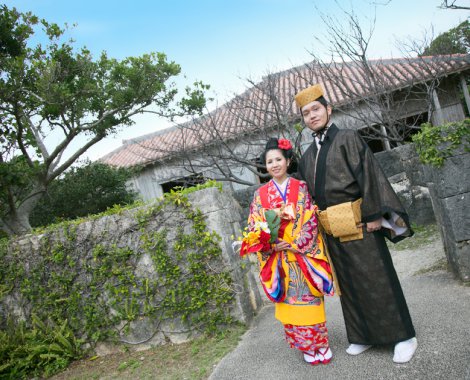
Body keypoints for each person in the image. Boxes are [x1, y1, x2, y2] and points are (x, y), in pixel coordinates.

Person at [293, 83, 418, 364]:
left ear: (328, 109)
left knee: (376, 277)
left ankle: (404, 336)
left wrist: (374, 216)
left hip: (359, 220)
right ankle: (363, 335)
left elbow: (369, 174)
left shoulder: (348, 138)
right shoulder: (306, 156)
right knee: (349, 283)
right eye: (305, 113)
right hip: (330, 229)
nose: (311, 116)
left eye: (316, 109)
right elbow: (303, 196)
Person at [240, 137, 335, 365]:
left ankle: (320, 344)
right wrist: (270, 244)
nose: (274, 164)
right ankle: (306, 346)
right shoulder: (260, 195)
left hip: (302, 255)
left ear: (288, 160)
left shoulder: (301, 187)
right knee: (291, 304)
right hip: (279, 259)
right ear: (265, 165)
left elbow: (311, 217)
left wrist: (297, 242)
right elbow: (254, 225)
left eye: (278, 159)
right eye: (269, 161)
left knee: (311, 300)